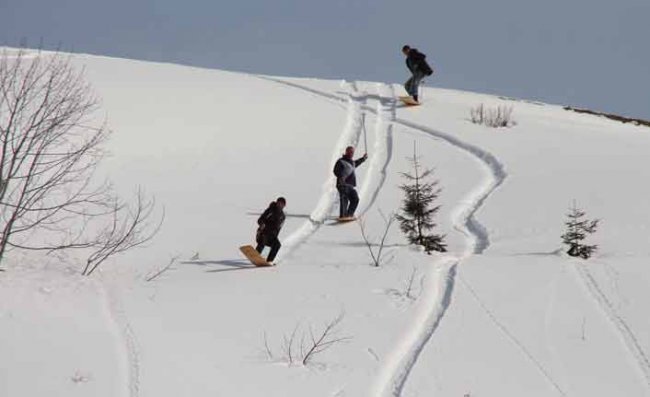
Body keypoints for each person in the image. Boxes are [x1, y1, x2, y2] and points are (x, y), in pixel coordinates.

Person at [333, 146, 368, 219]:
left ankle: (349, 215)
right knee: (344, 199)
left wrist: (363, 158)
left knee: (355, 199)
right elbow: (335, 170)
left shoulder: (352, 162)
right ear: (346, 152)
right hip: (342, 184)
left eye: (352, 152)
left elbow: (357, 162)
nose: (351, 153)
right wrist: (341, 176)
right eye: (350, 152)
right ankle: (343, 216)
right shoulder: (341, 161)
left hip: (350, 185)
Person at [255, 197, 286, 264]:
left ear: (284, 205)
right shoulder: (270, 210)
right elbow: (260, 220)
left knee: (277, 245)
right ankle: (256, 255)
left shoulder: (282, 216)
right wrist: (262, 224)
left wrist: (275, 237)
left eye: (282, 204)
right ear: (276, 203)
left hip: (272, 236)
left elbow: (278, 229)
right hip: (263, 233)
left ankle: (269, 261)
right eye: (279, 203)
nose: (280, 205)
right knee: (263, 239)